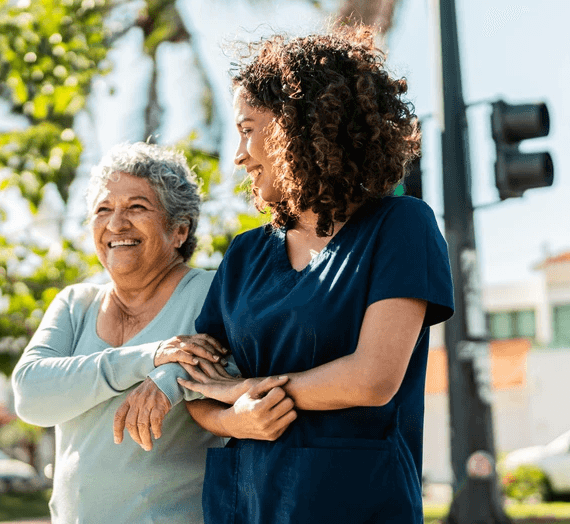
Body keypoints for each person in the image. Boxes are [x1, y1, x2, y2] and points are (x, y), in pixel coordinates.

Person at [177, 26, 456, 524]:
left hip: (357, 504)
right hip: (242, 505)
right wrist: (233, 420)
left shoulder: (401, 227)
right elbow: (200, 384)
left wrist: (244, 390)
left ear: (293, 128)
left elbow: (372, 380)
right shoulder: (244, 254)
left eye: (247, 128)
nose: (238, 154)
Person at [11, 142, 288, 524]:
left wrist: (169, 378)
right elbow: (30, 394)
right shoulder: (75, 303)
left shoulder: (211, 292)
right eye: (103, 210)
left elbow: (235, 370)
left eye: (137, 207)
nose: (115, 224)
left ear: (179, 229)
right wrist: (151, 356)